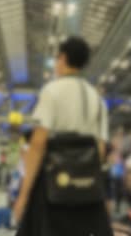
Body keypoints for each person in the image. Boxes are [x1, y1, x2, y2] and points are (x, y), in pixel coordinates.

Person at [14, 36, 112, 236]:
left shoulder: (52, 91)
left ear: (63, 58)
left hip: (52, 190)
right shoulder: (97, 99)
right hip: (87, 194)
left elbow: (38, 143)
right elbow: (100, 151)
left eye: (57, 58)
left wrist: (23, 196)